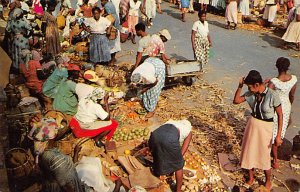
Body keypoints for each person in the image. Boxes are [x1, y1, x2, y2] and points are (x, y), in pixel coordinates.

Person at [233, 70, 283, 191]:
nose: (249, 89)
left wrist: (278, 136)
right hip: (252, 125)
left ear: (256, 85)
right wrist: (240, 86)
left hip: (266, 128)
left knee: (264, 155)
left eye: (250, 86)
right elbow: (236, 101)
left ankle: (268, 181)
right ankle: (251, 178)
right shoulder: (251, 94)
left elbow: (280, 115)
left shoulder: (272, 95)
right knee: (249, 152)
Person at [268, 57, 297, 169]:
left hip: (276, 107)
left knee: (275, 132)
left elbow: (268, 95)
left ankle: (275, 160)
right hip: (286, 106)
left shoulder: (274, 82)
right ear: (288, 67)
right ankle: (275, 156)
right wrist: (289, 106)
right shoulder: (293, 79)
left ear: (277, 66)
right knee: (282, 129)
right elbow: (292, 95)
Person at [148, 119, 193, 192]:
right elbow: (185, 147)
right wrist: (176, 162)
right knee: (179, 166)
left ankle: (157, 173)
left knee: (158, 154)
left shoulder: (171, 122)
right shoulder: (189, 132)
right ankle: (178, 190)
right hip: (169, 138)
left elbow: (160, 139)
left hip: (154, 135)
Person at [5, 8, 32, 73]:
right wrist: (27, 36)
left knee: (16, 54)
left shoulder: (11, 22)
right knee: (24, 55)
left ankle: (16, 68)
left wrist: (12, 36)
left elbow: (7, 30)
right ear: (20, 14)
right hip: (23, 40)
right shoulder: (23, 22)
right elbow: (31, 30)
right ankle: (25, 69)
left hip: (15, 40)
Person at [102, 0, 122, 65]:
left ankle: (111, 60)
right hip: (116, 24)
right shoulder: (110, 3)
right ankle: (112, 59)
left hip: (113, 26)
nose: (101, 3)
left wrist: (109, 28)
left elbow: (111, 17)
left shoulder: (106, 5)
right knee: (115, 44)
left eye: (102, 1)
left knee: (111, 45)